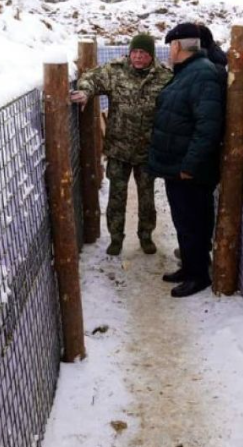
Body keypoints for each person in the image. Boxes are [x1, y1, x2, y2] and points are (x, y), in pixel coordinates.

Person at [70, 34, 172, 256]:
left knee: (146, 198)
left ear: (151, 55)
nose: (137, 57)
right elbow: (91, 78)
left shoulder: (164, 77)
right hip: (118, 149)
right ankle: (116, 238)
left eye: (143, 53)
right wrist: (86, 92)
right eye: (135, 52)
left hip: (147, 150)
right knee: (117, 196)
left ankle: (146, 236)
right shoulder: (115, 70)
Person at [148, 23, 224, 298]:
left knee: (194, 221)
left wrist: (189, 166)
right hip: (178, 167)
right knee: (184, 219)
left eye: (170, 46)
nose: (169, 51)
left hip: (189, 170)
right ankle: (190, 267)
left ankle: (198, 275)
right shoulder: (189, 72)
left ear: (178, 46)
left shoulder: (201, 75)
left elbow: (208, 127)